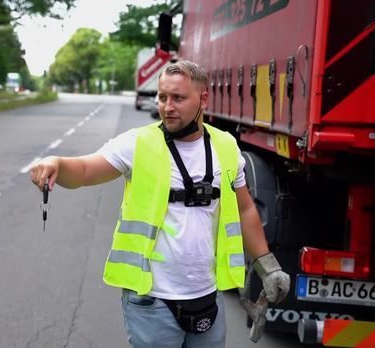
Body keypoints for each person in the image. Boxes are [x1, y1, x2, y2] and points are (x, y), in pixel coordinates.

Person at [30, 60, 290, 348]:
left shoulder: (226, 147)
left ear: (203, 99)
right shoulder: (137, 143)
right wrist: (56, 163)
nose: (167, 106)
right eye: (162, 97)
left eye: (178, 98)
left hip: (208, 295)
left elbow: (245, 209)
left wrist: (267, 265)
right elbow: (85, 170)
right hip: (153, 302)